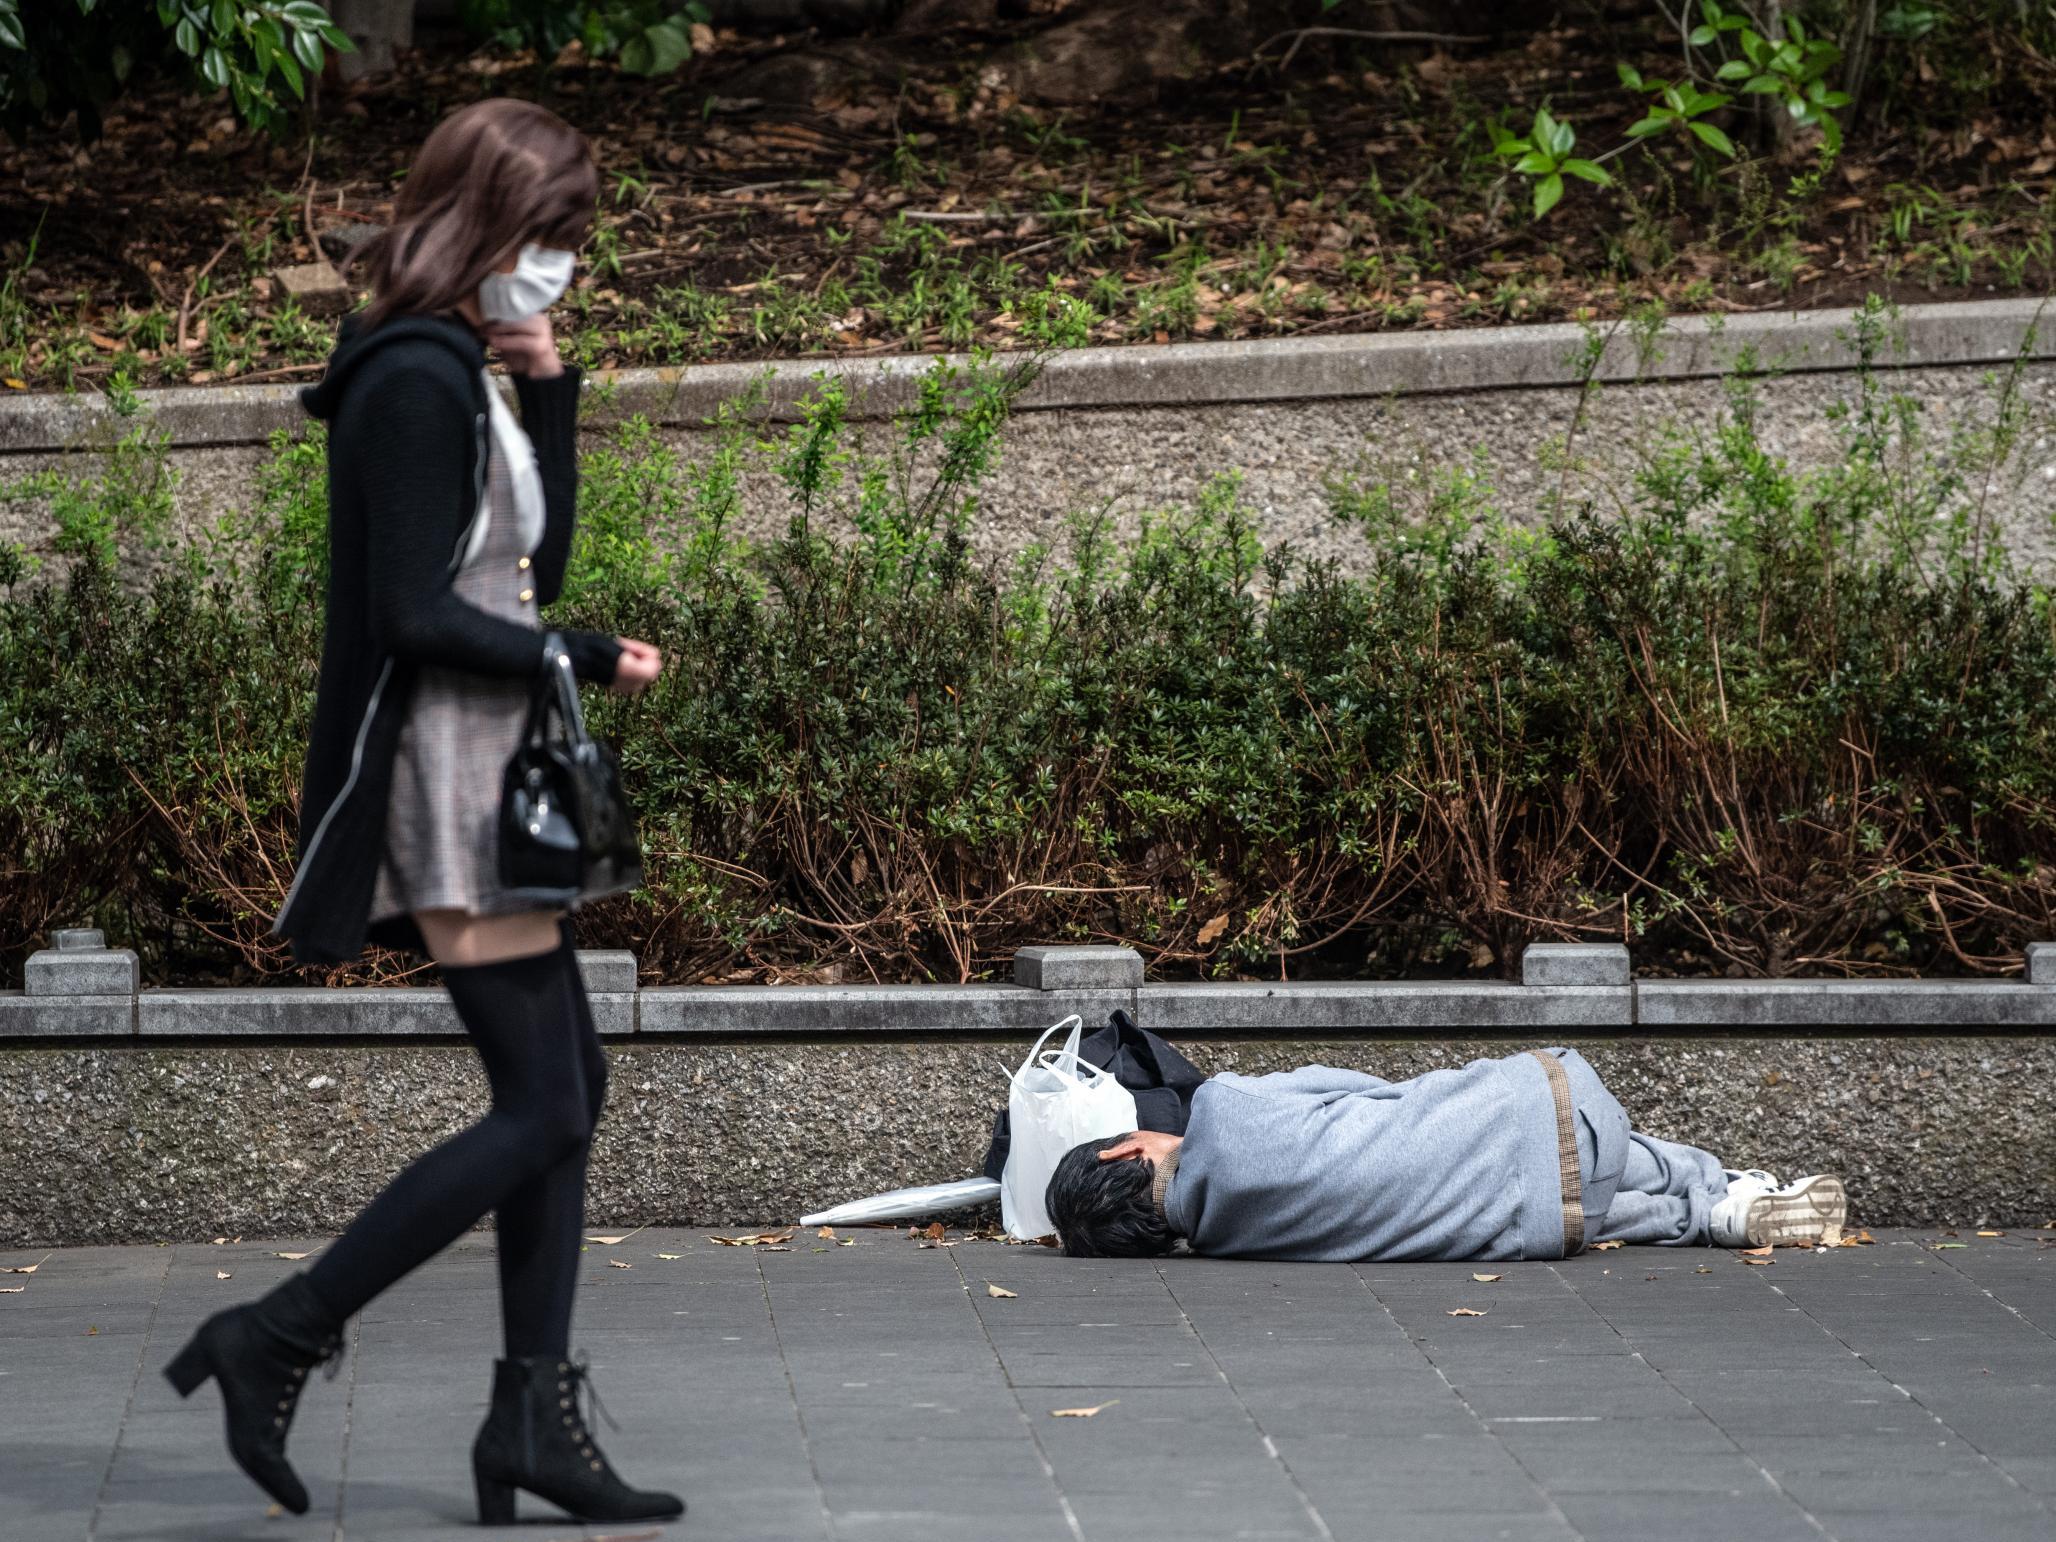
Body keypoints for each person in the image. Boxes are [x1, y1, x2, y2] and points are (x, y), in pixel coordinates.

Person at [160, 99, 682, 1527]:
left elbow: (540, 557)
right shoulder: (406, 376)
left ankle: (529, 1414)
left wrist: (552, 377)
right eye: (554, 238)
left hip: (495, 761)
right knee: (548, 1099)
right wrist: (576, 657)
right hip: (446, 771)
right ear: (489, 223)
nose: (564, 264)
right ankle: (278, 1331)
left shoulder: (469, 362)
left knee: (566, 1087)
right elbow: (413, 613)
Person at [1044, 1047, 1847, 1262]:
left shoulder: (1230, 1244)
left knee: (1534, 1194)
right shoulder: (1221, 1108)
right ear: (1125, 1151)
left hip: (1549, 1231)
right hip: (1559, 1105)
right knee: (1570, 1138)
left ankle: (1709, 1215)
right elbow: (1361, 1088)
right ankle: (1718, 1186)